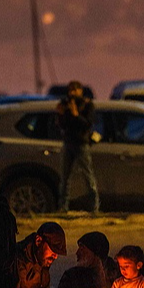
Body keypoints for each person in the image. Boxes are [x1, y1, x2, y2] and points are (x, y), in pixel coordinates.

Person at [56, 81, 99, 213]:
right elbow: (62, 125)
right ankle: (63, 207)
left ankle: (94, 207)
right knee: (65, 178)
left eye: (75, 90)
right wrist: (61, 114)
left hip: (81, 143)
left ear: (80, 90)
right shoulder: (67, 104)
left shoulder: (87, 105)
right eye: (70, 90)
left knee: (88, 176)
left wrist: (76, 115)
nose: (72, 93)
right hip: (68, 142)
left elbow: (87, 124)